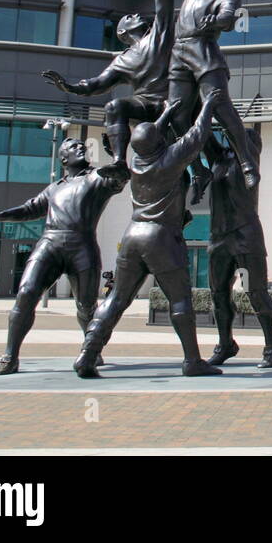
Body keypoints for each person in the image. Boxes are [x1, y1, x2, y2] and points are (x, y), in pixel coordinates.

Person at [73, 92, 223, 378]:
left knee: (116, 298)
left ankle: (87, 354)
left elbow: (149, 138)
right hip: (160, 237)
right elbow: (197, 135)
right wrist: (209, 106)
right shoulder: (169, 161)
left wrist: (166, 114)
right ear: (159, 142)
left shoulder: (135, 163)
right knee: (179, 300)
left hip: (133, 235)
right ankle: (192, 360)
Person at [0, 138, 127, 375]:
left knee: (86, 306)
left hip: (82, 245)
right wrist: (0, 216)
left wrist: (117, 158)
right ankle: (10, 356)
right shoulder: (54, 187)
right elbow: (29, 209)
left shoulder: (98, 177)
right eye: (73, 147)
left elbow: (120, 178)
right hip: (50, 243)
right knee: (26, 293)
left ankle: (91, 350)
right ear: (63, 159)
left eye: (83, 146)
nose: (81, 148)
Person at [42, 0, 174, 173]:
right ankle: (119, 162)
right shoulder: (122, 60)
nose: (135, 14)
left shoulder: (157, 37)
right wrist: (69, 87)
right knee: (114, 106)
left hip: (170, 99)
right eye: (130, 17)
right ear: (122, 32)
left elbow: (164, 2)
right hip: (145, 105)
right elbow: (96, 84)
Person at [166, 0, 261, 190]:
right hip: (179, 52)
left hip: (203, 53)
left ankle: (246, 162)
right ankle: (199, 167)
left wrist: (215, 22)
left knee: (220, 106)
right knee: (177, 114)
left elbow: (228, 20)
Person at [207, 129, 272, 368]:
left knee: (255, 291)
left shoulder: (249, 158)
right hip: (219, 237)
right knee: (218, 294)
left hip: (245, 236)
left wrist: (226, 116)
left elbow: (237, 137)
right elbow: (202, 133)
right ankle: (225, 343)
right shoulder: (219, 160)